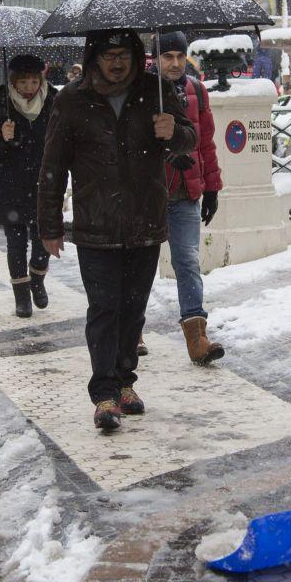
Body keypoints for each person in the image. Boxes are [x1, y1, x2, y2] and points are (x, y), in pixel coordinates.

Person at [38, 29, 196, 431]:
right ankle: (105, 393)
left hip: (145, 218)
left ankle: (126, 381)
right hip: (97, 223)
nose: (117, 61)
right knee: (104, 309)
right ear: (94, 57)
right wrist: (50, 225)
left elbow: (188, 140)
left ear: (135, 54)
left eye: (124, 53)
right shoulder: (72, 99)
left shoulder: (156, 90)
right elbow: (53, 165)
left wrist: (173, 132)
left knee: (133, 310)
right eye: (108, 54)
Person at [152, 32, 225, 364]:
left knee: (187, 262)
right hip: (148, 192)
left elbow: (206, 143)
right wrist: (167, 153)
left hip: (186, 192)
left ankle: (198, 339)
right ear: (156, 58)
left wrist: (212, 187)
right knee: (138, 267)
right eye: (168, 56)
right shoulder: (141, 90)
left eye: (180, 56)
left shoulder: (195, 90)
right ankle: (132, 331)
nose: (175, 63)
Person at [0, 54, 57, 318]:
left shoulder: (54, 104)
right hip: (8, 184)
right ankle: (21, 295)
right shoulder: (0, 106)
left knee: (43, 240)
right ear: (13, 82)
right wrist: (2, 137)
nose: (29, 87)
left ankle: (37, 277)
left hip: (42, 183)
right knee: (15, 242)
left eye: (34, 81)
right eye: (23, 82)